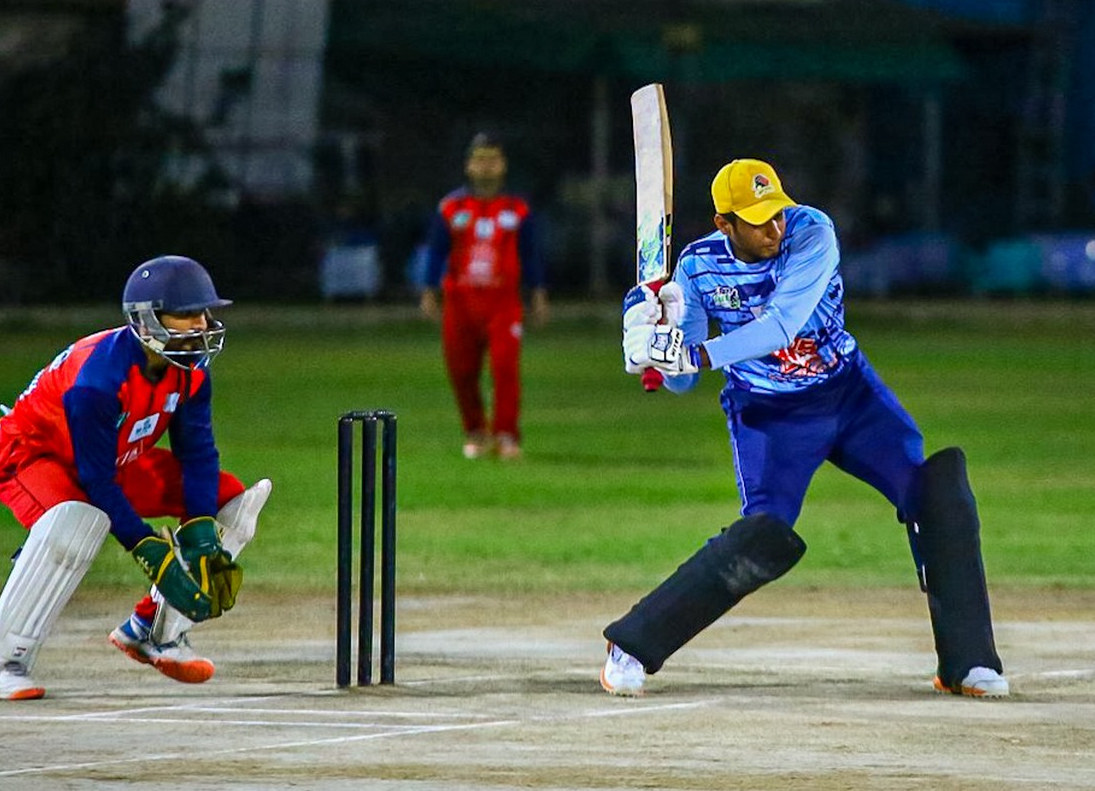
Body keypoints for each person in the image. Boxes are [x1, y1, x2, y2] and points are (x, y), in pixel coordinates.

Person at [608, 158, 1008, 698]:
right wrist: (651, 337)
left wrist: (695, 354)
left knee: (936, 494)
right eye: (758, 221)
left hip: (850, 395)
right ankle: (631, 647)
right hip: (769, 413)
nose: (774, 228)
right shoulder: (698, 269)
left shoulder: (812, 231)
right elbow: (681, 380)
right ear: (725, 223)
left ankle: (968, 663)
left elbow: (781, 325)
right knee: (763, 534)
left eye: (777, 212)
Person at [0, 255, 272, 700]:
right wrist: (148, 549)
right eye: (187, 314)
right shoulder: (98, 381)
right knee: (75, 523)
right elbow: (95, 481)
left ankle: (154, 629)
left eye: (205, 312)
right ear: (146, 321)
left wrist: (202, 532)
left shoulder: (190, 369)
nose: (202, 324)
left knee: (227, 498)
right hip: (30, 456)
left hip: (112, 461)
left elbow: (197, 455)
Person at [419, 132, 549, 460]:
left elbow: (531, 255)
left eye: (492, 159)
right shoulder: (451, 208)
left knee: (505, 368)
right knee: (461, 370)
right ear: (469, 165)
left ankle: (506, 436)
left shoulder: (517, 209)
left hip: (503, 301)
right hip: (460, 301)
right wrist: (429, 290)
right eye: (480, 160)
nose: (486, 166)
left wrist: (538, 294)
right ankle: (476, 431)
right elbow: (436, 252)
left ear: (503, 164)